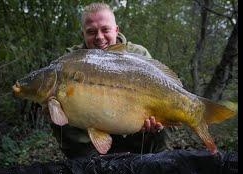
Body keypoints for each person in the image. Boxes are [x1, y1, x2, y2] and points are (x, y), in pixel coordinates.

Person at [50, 2, 177, 159]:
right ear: (83, 34)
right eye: (91, 32)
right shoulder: (71, 59)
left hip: (132, 125)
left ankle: (155, 163)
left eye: (105, 30)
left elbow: (158, 92)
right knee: (59, 108)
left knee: (165, 116)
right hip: (92, 127)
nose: (99, 37)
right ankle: (87, 163)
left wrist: (154, 122)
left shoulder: (137, 54)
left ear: (116, 30)